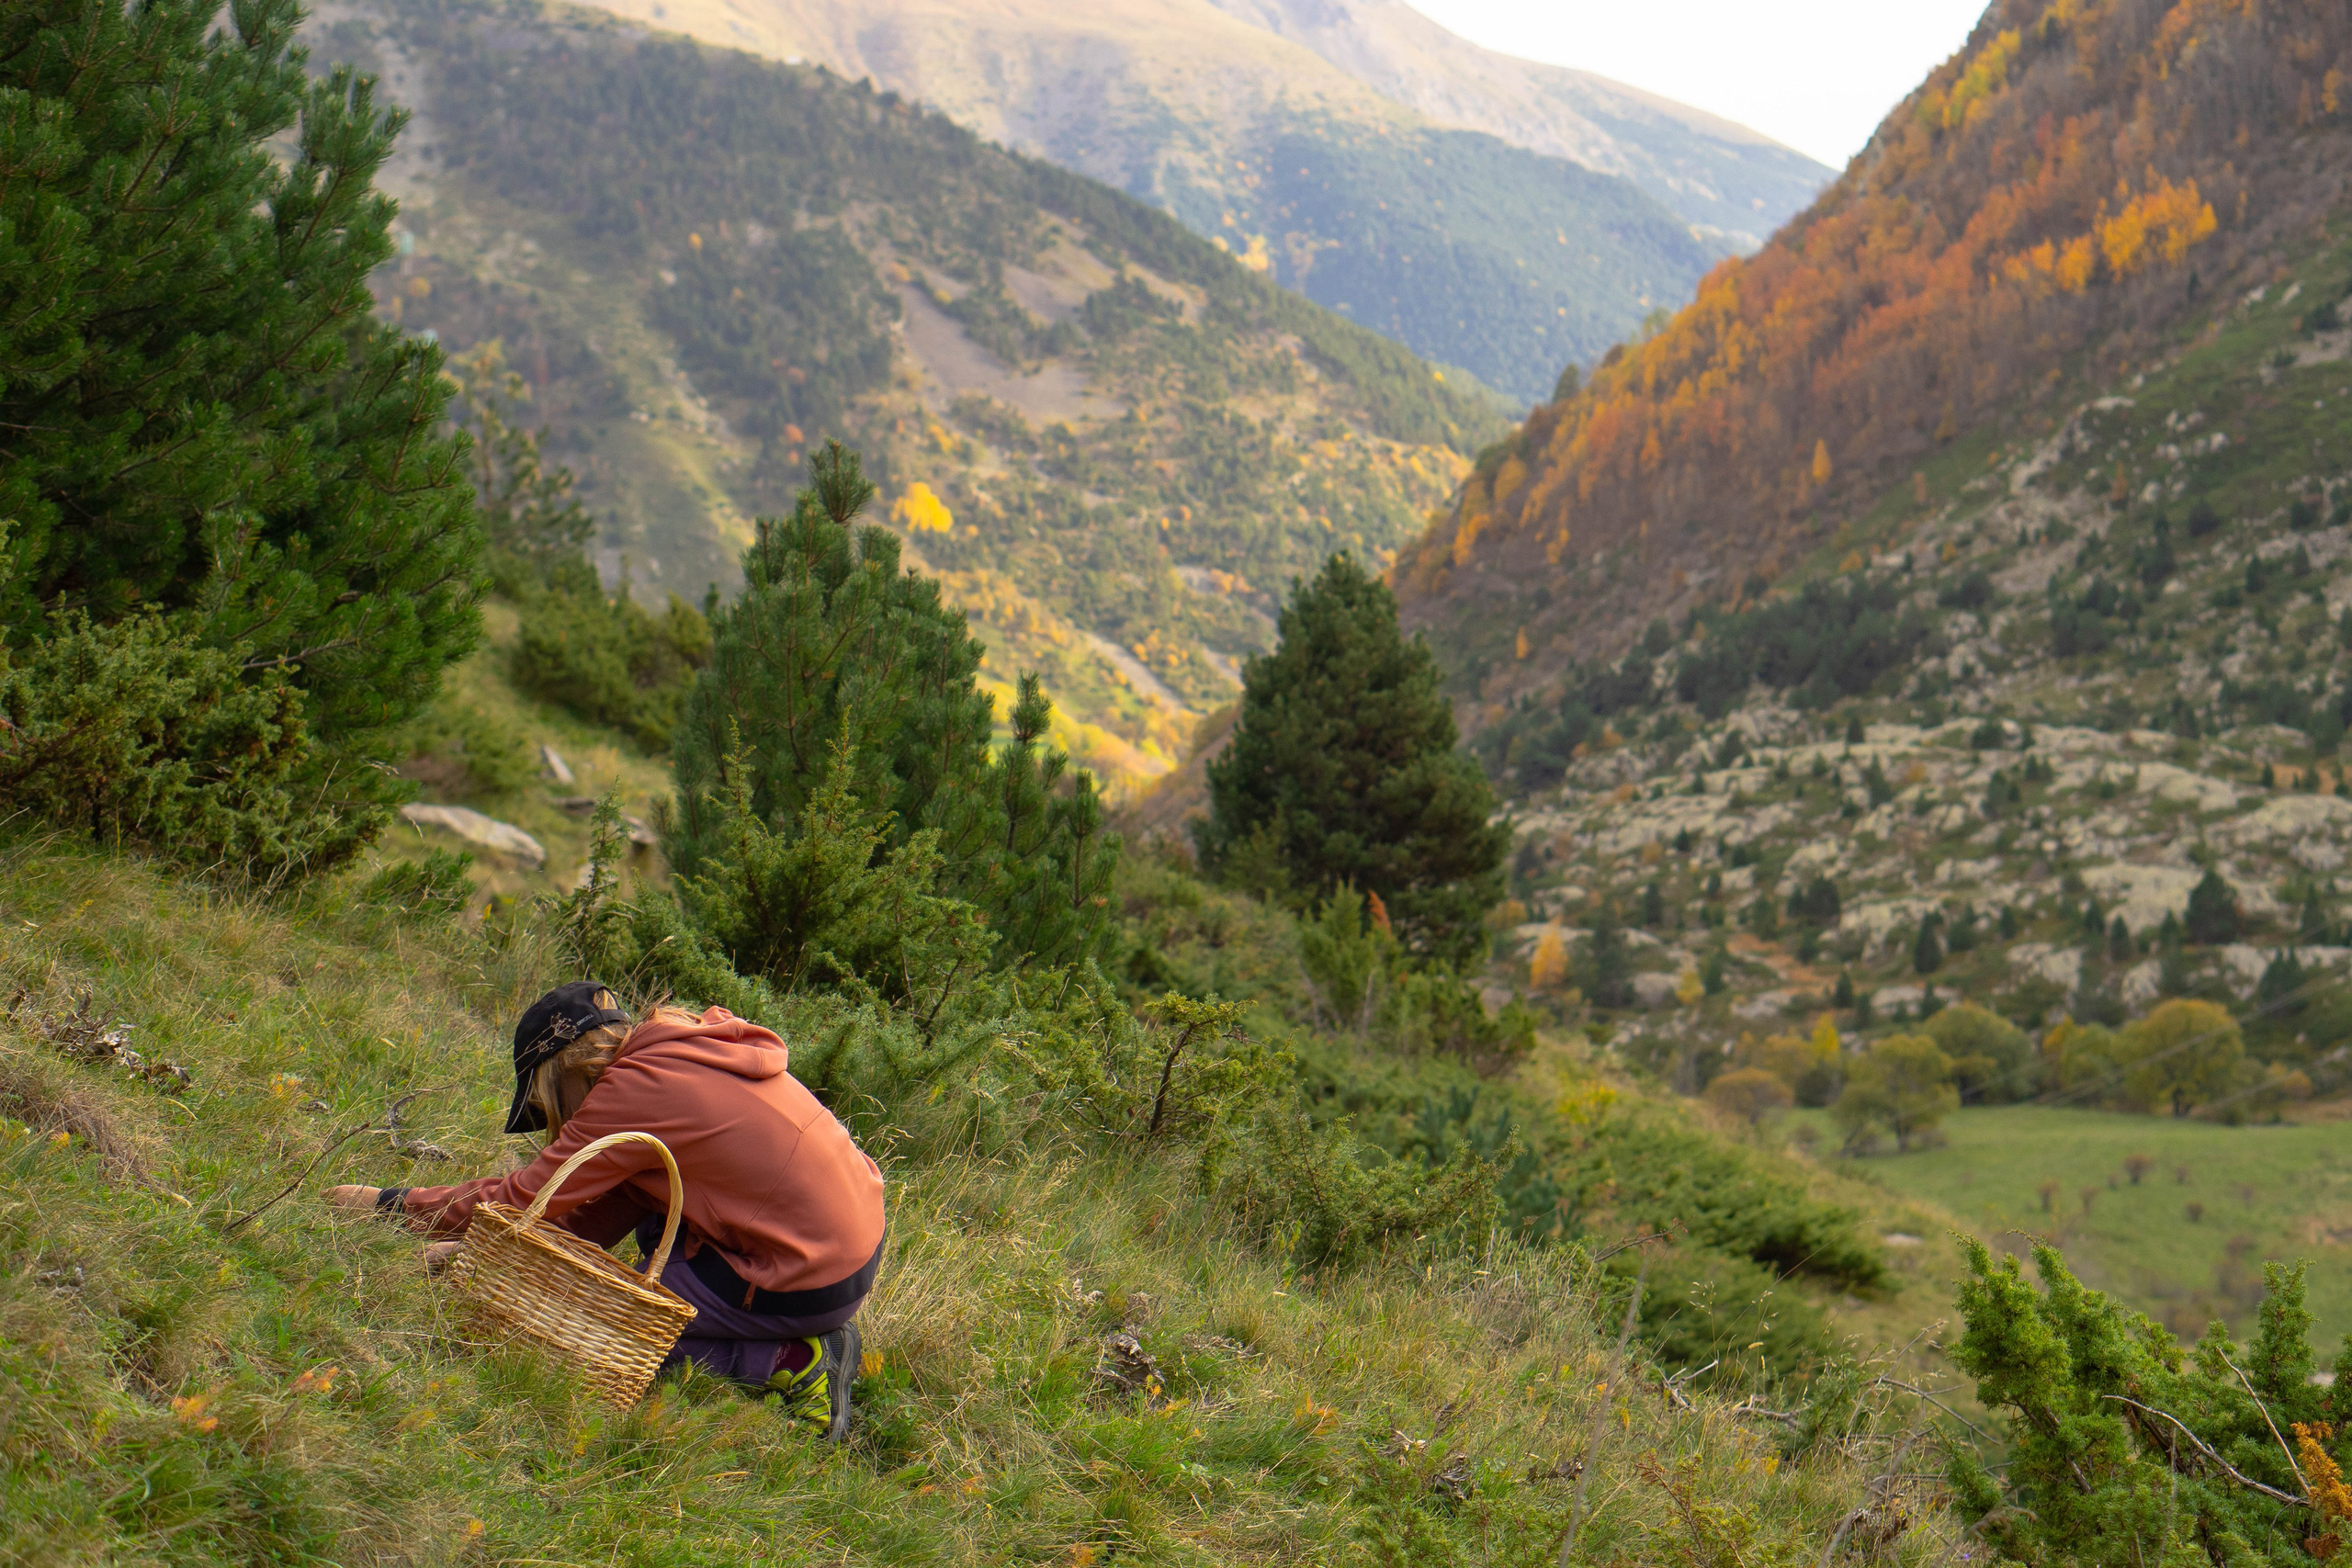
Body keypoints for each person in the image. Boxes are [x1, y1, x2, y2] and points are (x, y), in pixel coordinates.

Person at [328, 982, 885, 1438]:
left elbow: (525, 1198)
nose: (553, 1121)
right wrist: (494, 1251)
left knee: (596, 1339)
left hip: (801, 1276)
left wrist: (389, 1206)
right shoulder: (685, 1052)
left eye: (545, 1103)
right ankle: (782, 1334)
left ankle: (791, 1357)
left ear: (563, 1073)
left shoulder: (635, 1090)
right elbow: (599, 1212)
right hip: (847, 1249)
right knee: (650, 1219)